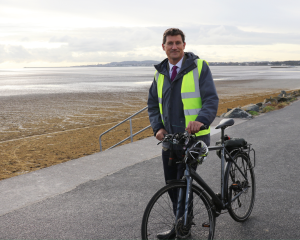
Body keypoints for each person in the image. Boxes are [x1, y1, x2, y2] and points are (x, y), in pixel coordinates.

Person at [147, 28, 219, 239]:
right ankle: (182, 222)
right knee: (171, 186)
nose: (174, 47)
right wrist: (157, 128)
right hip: (170, 140)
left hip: (194, 139)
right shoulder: (160, 72)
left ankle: (180, 230)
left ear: (184, 46)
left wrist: (201, 120)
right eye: (170, 43)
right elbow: (152, 104)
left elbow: (211, 99)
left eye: (178, 43)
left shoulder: (199, 67)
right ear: (164, 47)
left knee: (183, 183)